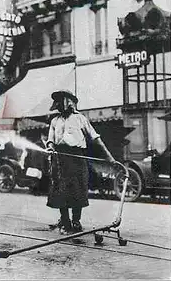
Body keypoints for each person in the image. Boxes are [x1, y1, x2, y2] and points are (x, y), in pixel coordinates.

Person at [45, 89, 117, 234]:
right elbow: (50, 140)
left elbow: (95, 139)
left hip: (77, 158)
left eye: (62, 101)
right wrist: (51, 147)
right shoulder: (54, 121)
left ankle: (76, 221)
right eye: (57, 101)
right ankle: (65, 221)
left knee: (77, 190)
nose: (59, 104)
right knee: (61, 191)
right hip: (60, 159)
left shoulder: (80, 119)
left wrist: (110, 158)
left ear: (69, 102)